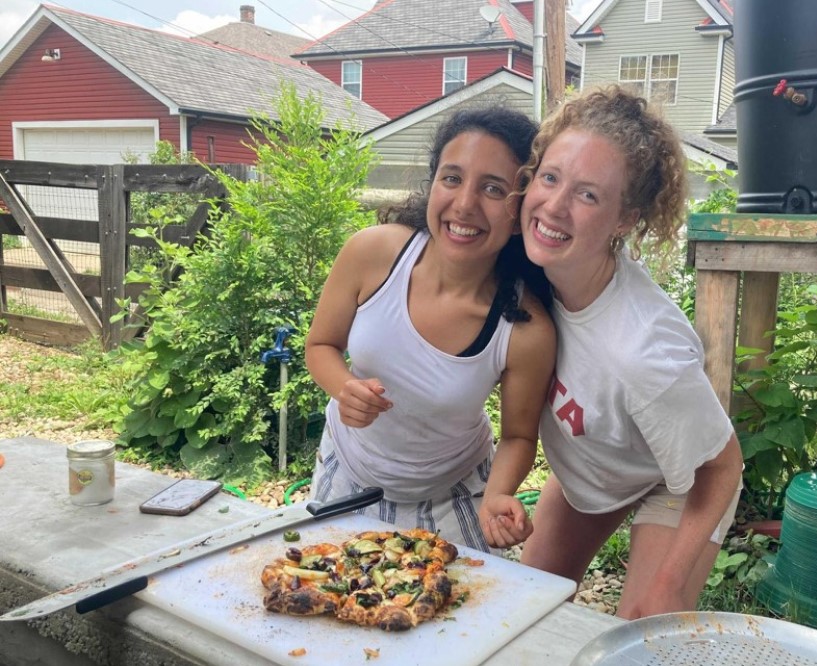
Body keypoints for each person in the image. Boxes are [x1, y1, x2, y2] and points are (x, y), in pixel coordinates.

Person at [516, 86, 745, 618]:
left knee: (644, 639)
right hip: (598, 468)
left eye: (588, 195)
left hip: (681, 481)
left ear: (624, 219)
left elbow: (721, 465)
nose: (554, 205)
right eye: (550, 178)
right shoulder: (528, 269)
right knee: (526, 611)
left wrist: (670, 580)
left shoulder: (644, 354)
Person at [305, 107, 556, 554]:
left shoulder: (525, 328)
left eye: (493, 189)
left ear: (522, 206)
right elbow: (321, 345)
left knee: (449, 613)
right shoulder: (373, 252)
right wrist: (344, 388)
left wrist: (499, 494)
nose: (464, 205)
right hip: (347, 473)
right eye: (452, 178)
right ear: (433, 181)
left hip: (454, 497)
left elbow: (519, 435)